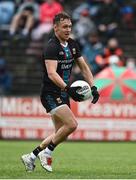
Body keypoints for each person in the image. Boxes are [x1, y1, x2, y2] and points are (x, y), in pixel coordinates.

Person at [21, 12, 100, 172]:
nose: (68, 29)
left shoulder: (72, 44)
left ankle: (31, 156)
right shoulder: (52, 47)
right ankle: (47, 153)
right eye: (65, 26)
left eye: (70, 26)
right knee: (72, 124)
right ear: (55, 27)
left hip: (63, 93)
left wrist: (93, 87)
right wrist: (68, 89)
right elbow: (52, 73)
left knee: (60, 133)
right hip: (50, 94)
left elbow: (84, 67)